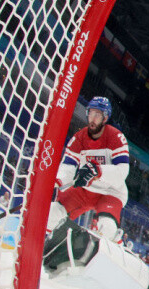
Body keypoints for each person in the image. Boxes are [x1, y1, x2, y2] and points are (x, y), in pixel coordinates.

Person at [46, 96, 129, 242]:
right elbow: (68, 166)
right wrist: (57, 183)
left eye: (97, 115)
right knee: (52, 214)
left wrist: (98, 171)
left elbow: (122, 171)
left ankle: (117, 244)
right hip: (85, 190)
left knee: (106, 227)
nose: (93, 118)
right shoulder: (79, 137)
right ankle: (41, 252)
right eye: (91, 113)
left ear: (105, 118)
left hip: (110, 192)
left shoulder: (116, 136)